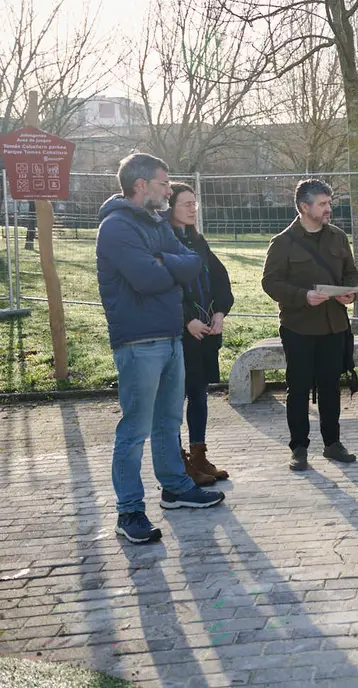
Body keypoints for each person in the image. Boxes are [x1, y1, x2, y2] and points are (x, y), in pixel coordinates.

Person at [96, 153, 226, 544]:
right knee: (135, 429)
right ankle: (130, 511)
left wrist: (163, 261)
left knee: (169, 422)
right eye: (164, 184)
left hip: (171, 337)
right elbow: (146, 279)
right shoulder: (115, 228)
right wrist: (168, 267)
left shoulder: (155, 223)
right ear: (140, 185)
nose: (170, 191)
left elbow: (195, 263)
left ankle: (175, 489)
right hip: (138, 342)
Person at [261, 179, 358, 471]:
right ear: (304, 207)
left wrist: (349, 292)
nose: (329, 208)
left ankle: (332, 443)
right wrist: (303, 296)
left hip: (333, 326)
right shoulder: (282, 242)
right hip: (299, 327)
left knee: (331, 387)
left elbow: (351, 274)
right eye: (322, 204)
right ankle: (299, 448)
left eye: (329, 203)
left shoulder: (338, 238)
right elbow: (270, 282)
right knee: (299, 388)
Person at [166, 182, 235, 485]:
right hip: (181, 335)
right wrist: (186, 320)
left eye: (195, 203)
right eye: (186, 204)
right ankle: (178, 461)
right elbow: (164, 287)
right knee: (175, 398)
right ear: (170, 207)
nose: (193, 209)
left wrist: (220, 311)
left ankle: (199, 455)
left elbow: (221, 280)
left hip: (205, 334)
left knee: (199, 394)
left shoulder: (199, 240)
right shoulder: (164, 241)